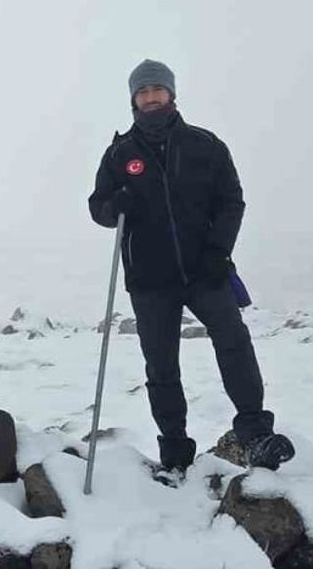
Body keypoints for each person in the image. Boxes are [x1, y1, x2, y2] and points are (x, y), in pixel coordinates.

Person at [87, 59, 295, 476]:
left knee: (234, 342)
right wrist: (115, 205)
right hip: (149, 279)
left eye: (157, 90)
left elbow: (231, 201)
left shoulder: (205, 145)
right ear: (134, 99)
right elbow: (98, 209)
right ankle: (175, 454)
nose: (150, 98)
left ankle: (255, 433)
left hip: (205, 269)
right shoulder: (119, 154)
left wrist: (219, 251)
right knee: (161, 366)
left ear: (171, 94)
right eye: (142, 92)